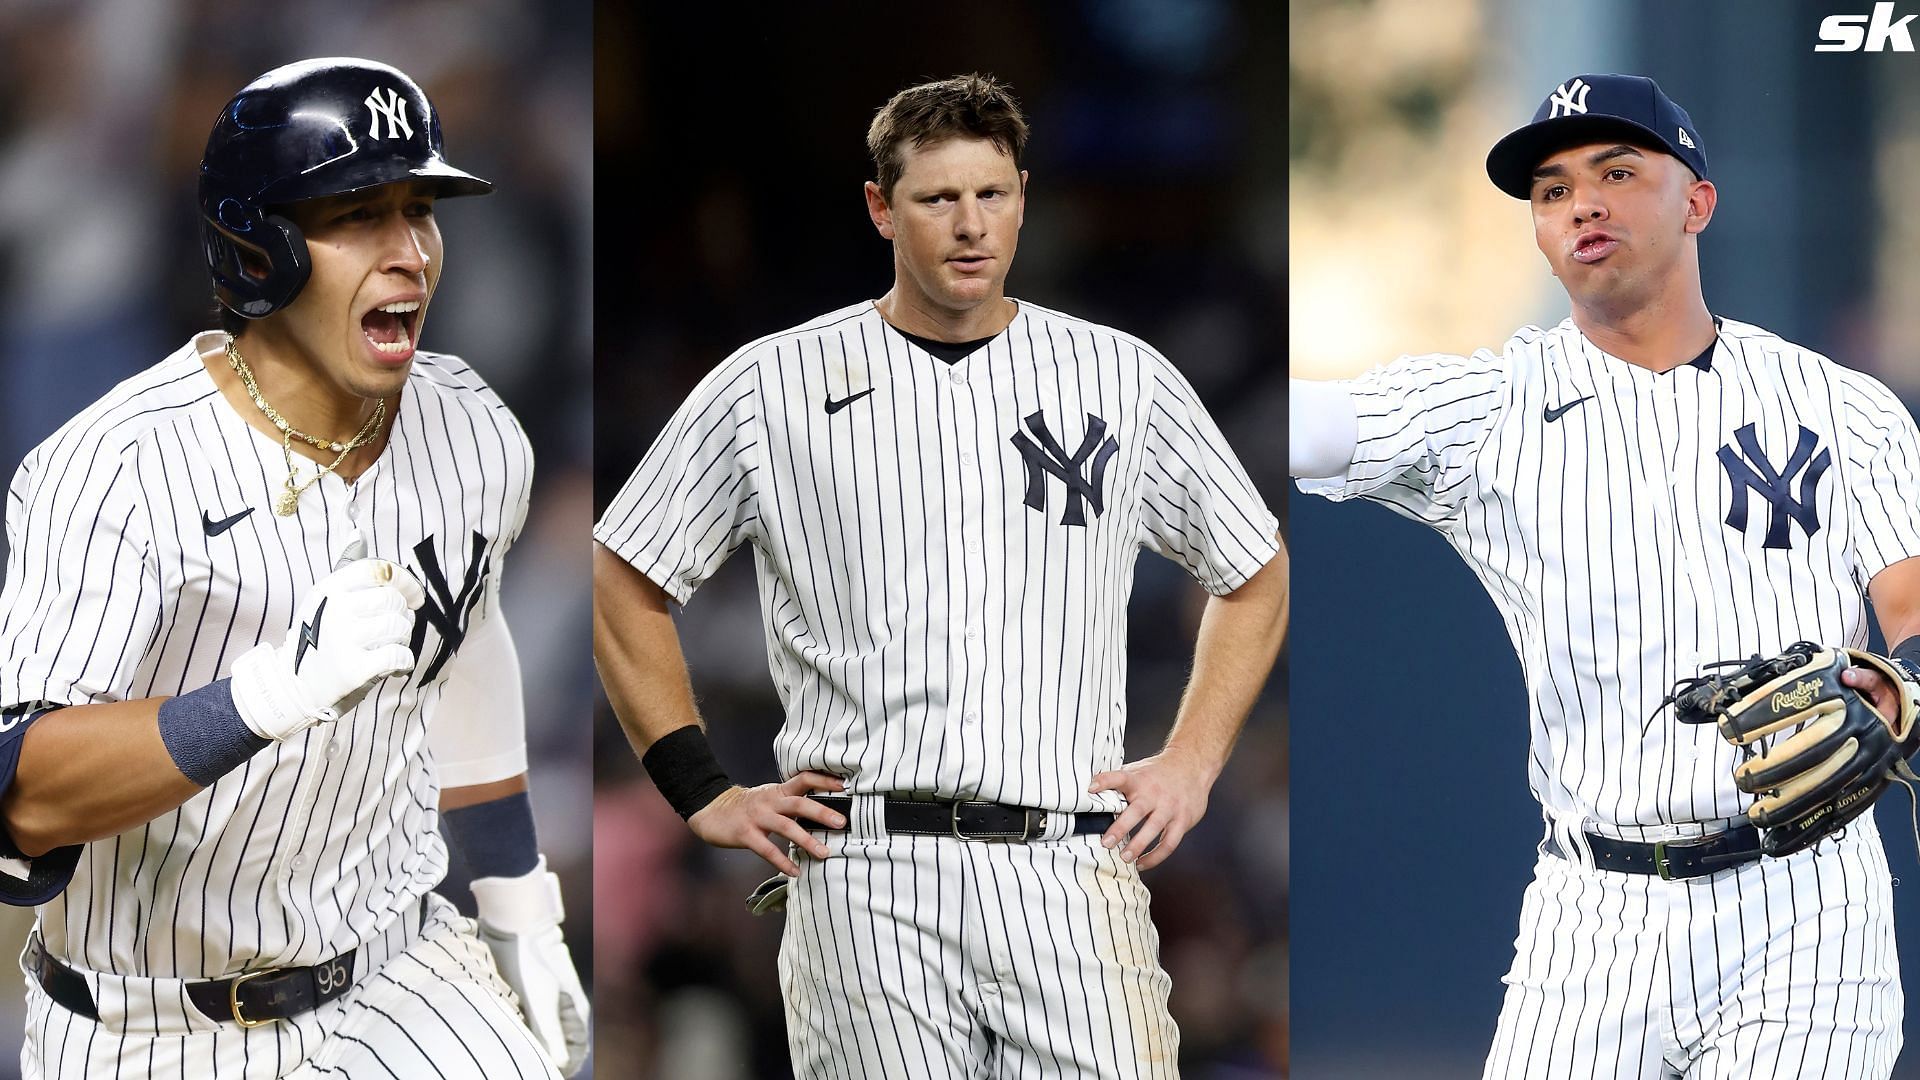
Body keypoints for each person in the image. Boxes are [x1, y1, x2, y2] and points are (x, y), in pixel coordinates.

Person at [594, 72, 1287, 1077]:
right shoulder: (771, 381)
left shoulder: (1120, 375)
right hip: (867, 864)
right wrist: (701, 788)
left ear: (1023, 198)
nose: (971, 225)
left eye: (992, 195)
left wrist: (1193, 762)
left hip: (1067, 859)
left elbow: (1253, 571)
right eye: (938, 198)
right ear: (882, 208)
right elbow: (627, 574)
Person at [1292, 73, 1920, 1077]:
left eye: (1618, 172)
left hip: (1808, 906)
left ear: (1697, 202)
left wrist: (1898, 681)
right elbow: (1305, 426)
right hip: (1592, 914)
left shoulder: (1841, 406)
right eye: (1551, 191)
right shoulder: (1490, 407)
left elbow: (1911, 598)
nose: (1582, 203)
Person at [0, 58, 588, 1077]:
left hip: (402, 976)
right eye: (358, 215)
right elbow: (22, 791)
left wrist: (516, 901)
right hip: (153, 1026)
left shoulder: (477, 431)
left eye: (421, 210)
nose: (411, 253)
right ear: (258, 247)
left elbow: (468, 645)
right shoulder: (114, 470)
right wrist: (266, 697)